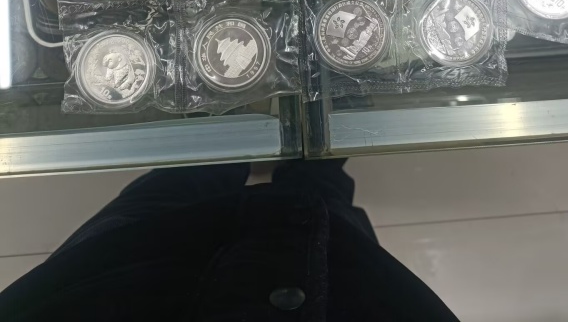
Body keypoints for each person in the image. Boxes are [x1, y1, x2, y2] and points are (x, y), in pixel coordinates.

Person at [0, 160, 459, 321]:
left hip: (117, 288)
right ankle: (314, 137)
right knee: (323, 204)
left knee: (172, 187)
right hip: (345, 295)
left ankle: (218, 113)